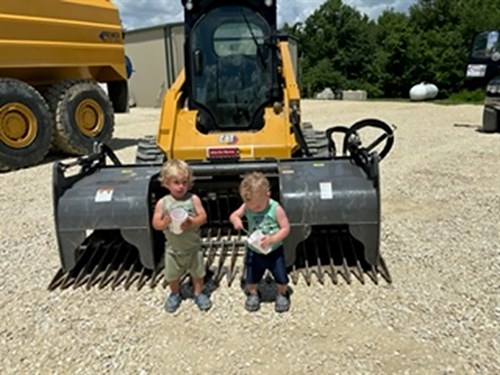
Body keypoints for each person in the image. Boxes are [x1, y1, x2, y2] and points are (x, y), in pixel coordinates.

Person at [152, 159, 212, 313]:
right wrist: (165, 222)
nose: (180, 186)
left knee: (197, 273)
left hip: (193, 247)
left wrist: (192, 222)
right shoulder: (163, 203)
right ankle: (174, 293)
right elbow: (156, 224)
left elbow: (203, 217)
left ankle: (198, 293)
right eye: (176, 182)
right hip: (173, 248)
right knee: (172, 275)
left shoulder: (193, 199)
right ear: (166, 183)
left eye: (184, 182)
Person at [229, 172, 291, 313]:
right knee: (252, 275)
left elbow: (286, 228)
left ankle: (282, 293)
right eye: (251, 206)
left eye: (258, 206)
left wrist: (273, 238)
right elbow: (234, 215)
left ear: (267, 194)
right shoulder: (247, 206)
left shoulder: (275, 208)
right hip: (255, 249)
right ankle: (253, 293)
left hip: (274, 250)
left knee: (280, 275)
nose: (254, 209)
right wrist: (236, 220)